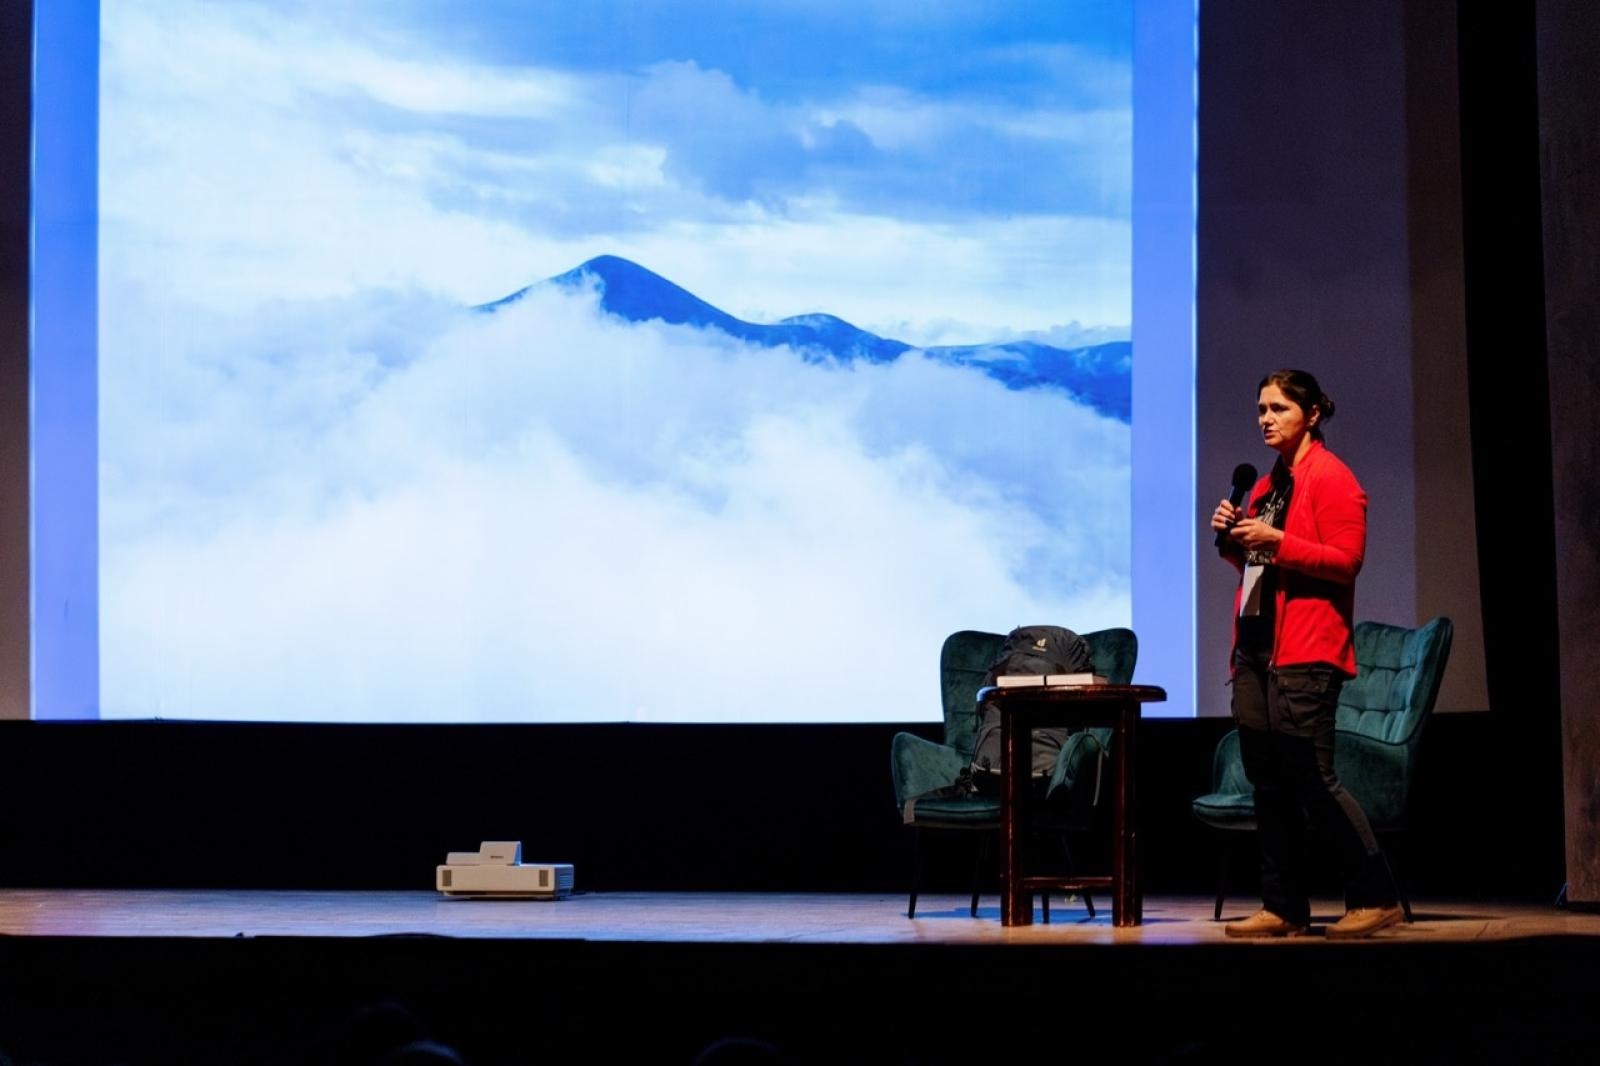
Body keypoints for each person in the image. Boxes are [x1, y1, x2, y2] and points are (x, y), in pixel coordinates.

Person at [1210, 369, 1403, 939]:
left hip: (1306, 652)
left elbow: (1346, 561)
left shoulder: (1333, 478)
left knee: (1312, 778)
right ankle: (1284, 906)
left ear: (1312, 414)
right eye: (1260, 409)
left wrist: (1277, 543)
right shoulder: (1269, 487)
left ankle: (1376, 895)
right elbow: (1261, 570)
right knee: (1267, 781)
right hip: (1255, 649)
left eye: (1278, 408)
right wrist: (1234, 540)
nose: (1265, 418)